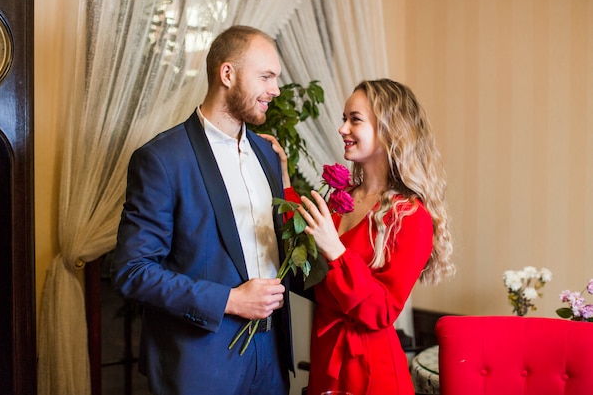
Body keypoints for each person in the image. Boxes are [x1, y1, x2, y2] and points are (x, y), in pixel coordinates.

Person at [110, 25, 294, 395]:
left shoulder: (269, 156)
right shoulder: (162, 159)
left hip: (271, 360)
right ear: (227, 74)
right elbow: (133, 271)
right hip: (200, 364)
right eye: (266, 76)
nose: (275, 89)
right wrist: (231, 300)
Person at [294, 79, 455, 395]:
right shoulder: (339, 201)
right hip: (325, 356)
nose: (342, 129)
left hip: (370, 370)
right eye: (344, 118)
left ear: (388, 130)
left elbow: (381, 311)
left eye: (354, 119)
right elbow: (308, 275)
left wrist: (336, 252)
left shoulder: (410, 216)